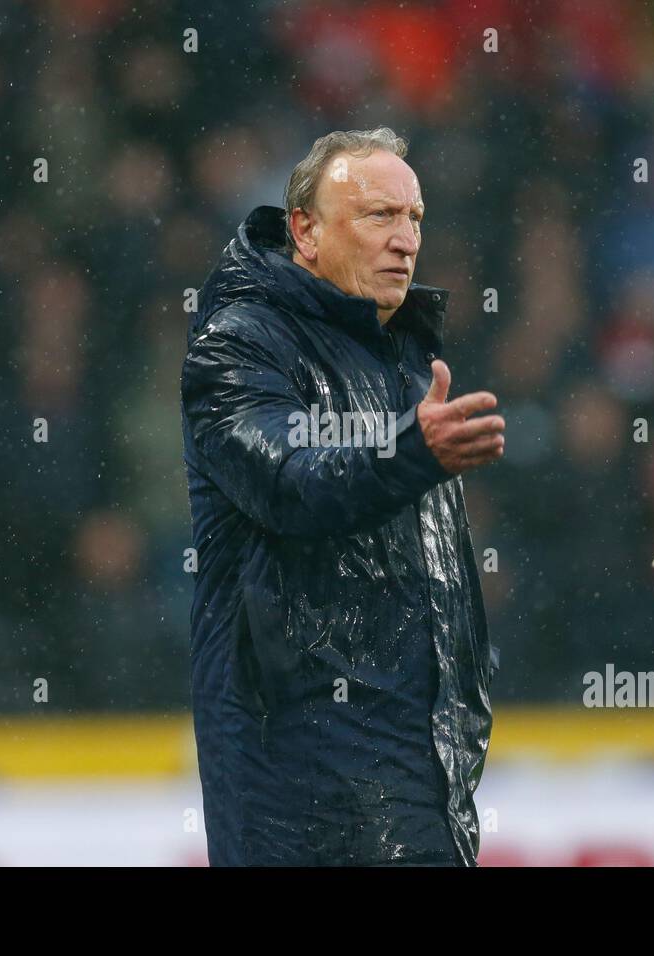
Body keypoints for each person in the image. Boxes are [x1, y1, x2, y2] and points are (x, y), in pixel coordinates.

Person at [180, 127, 505, 865]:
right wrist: (412, 451)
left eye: (415, 218)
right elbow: (291, 483)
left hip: (417, 768)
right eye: (379, 216)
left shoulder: (406, 358)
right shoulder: (238, 345)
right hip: (295, 779)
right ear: (306, 230)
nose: (406, 240)